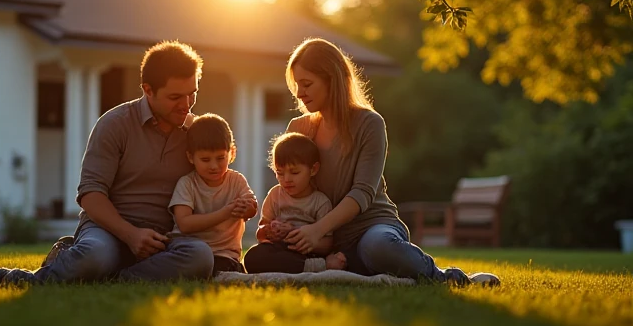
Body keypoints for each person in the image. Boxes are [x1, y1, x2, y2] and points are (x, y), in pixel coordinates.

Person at [242, 38, 500, 287]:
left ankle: (448, 277)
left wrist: (317, 230)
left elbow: (362, 192)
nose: (300, 93)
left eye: (307, 84)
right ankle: (350, 266)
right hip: (320, 241)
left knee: (378, 246)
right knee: (258, 257)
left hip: (368, 228)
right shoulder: (298, 128)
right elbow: (293, 189)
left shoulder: (369, 124)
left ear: (332, 80)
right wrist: (282, 229)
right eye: (297, 85)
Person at [0, 40, 215, 285]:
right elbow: (90, 194)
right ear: (148, 89)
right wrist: (131, 235)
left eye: (192, 94)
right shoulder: (114, 124)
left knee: (200, 256)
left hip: (163, 238)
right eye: (175, 97)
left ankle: (115, 279)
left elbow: (212, 184)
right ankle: (18, 279)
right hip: (108, 231)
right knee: (95, 255)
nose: (186, 105)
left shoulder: (194, 132)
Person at [168, 113, 258, 277]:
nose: (214, 166)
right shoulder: (187, 184)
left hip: (225, 254)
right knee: (199, 259)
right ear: (190, 157)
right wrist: (225, 212)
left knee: (225, 267)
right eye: (205, 159)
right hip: (190, 249)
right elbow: (185, 224)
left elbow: (252, 208)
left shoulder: (236, 180)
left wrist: (247, 208)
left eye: (220, 158)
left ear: (232, 153)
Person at [244, 132, 347, 273]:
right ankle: (318, 267)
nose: (286, 179)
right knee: (252, 257)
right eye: (280, 173)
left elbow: (327, 244)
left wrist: (300, 236)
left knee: (300, 258)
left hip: (306, 252)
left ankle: (315, 265)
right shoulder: (275, 195)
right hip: (279, 250)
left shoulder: (320, 202)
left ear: (313, 169)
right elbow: (261, 233)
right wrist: (270, 231)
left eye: (294, 172)